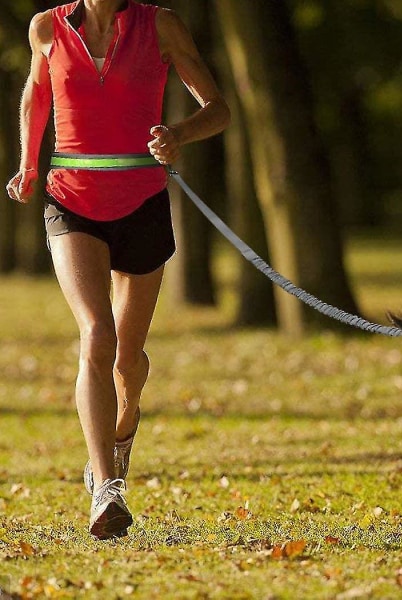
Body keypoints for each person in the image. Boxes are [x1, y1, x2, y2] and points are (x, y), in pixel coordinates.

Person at [5, 0, 230, 540]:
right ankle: (105, 489)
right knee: (96, 336)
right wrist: (28, 162)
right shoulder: (46, 27)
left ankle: (123, 426)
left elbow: (218, 109)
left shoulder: (161, 25)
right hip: (71, 199)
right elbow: (37, 93)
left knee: (128, 357)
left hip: (142, 201)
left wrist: (179, 134)